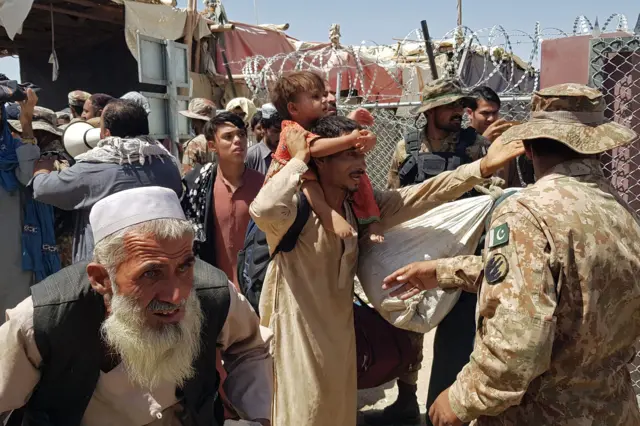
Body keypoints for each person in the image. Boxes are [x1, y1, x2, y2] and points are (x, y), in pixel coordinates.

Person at [384, 83, 640, 426]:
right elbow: (549, 275)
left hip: (542, 412)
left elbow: (517, 346)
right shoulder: (617, 209)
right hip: (612, 408)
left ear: (529, 149)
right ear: (596, 147)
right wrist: (445, 271)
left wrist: (461, 400)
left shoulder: (528, 212)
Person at [251, 112, 524, 426]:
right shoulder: (293, 211)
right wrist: (300, 158)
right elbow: (263, 208)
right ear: (322, 161)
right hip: (296, 347)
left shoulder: (359, 209)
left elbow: (422, 193)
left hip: (340, 349)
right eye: (350, 155)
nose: (362, 164)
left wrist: (482, 167)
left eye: (362, 155)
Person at [0, 186, 273, 426]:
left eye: (184, 267)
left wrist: (257, 416)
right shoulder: (43, 319)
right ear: (101, 279)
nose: (176, 295)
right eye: (151, 274)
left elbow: (250, 348)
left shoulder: (212, 292)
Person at [375, 78, 490, 426]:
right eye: (452, 105)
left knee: (457, 335)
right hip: (419, 246)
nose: (460, 112)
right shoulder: (406, 148)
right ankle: (407, 401)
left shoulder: (474, 147)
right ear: (430, 110)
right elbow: (395, 197)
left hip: (460, 249)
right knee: (408, 327)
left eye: (462, 105)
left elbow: (490, 194)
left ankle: (444, 411)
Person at [29, 99, 182, 264]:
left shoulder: (91, 169)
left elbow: (42, 189)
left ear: (107, 134)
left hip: (108, 269)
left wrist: (42, 170)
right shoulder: (168, 165)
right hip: (158, 260)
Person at [269, 71, 383, 242]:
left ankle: (372, 219)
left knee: (360, 175)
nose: (324, 100)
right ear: (293, 108)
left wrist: (366, 137)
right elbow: (315, 147)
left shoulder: (313, 125)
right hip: (290, 182)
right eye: (315, 97)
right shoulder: (292, 130)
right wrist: (351, 139)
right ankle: (328, 216)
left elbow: (331, 134)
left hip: (305, 173)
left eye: (323, 95)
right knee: (310, 184)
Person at [183, 111, 264, 288]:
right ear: (212, 146)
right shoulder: (197, 186)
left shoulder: (264, 185)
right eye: (228, 137)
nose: (238, 141)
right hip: (213, 289)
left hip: (256, 289)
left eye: (241, 135)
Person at [0, 89, 39, 325]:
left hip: (11, 254)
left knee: (13, 323)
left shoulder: (12, 148)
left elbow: (28, 176)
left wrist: (26, 122)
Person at [466, 86, 534, 187]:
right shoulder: (461, 141)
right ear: (470, 113)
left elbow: (513, 182)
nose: (491, 118)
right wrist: (482, 142)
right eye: (485, 113)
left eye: (495, 112)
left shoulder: (502, 141)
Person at [179, 98, 217, 175]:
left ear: (197, 121)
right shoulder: (223, 139)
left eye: (192, 120)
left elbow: (188, 177)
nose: (192, 125)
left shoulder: (194, 144)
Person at [245, 103, 281, 175]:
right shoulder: (251, 156)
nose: (281, 136)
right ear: (264, 129)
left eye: (284, 131)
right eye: (276, 131)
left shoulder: (291, 153)